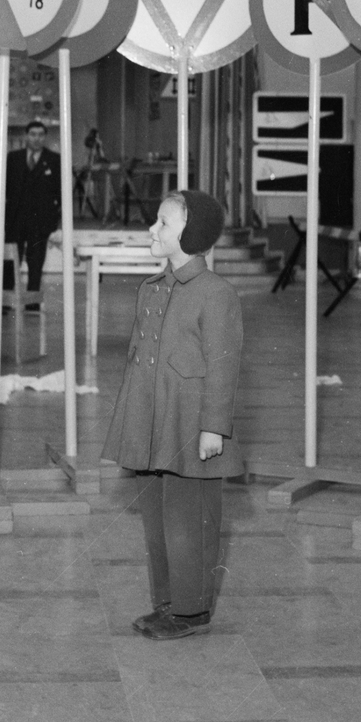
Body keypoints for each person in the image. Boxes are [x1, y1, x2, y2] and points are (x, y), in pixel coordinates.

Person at [101, 190, 241, 641]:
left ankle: (191, 609)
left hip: (188, 426)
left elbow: (223, 365)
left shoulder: (215, 293)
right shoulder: (152, 288)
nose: (152, 230)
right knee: (157, 521)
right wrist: (131, 422)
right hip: (150, 424)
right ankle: (167, 602)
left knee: (189, 521)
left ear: (190, 233)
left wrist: (213, 429)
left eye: (163, 223)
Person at [3, 120, 60, 302]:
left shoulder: (54, 160)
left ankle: (33, 303)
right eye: (33, 134)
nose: (36, 138)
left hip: (40, 221)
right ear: (26, 136)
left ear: (45, 137)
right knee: (10, 263)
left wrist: (55, 222)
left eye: (40, 135)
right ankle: (4, 302)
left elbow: (60, 191)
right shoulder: (13, 158)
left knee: (36, 264)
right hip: (15, 220)